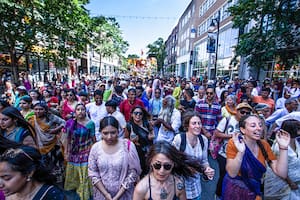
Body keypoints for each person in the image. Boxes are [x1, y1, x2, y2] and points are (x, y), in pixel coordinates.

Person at [222, 114, 290, 200]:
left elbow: (282, 173)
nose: (259, 128)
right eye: (253, 125)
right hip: (234, 191)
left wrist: (283, 148)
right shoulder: (235, 143)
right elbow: (232, 173)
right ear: (243, 130)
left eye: (260, 125)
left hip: (253, 191)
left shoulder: (264, 145)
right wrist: (241, 152)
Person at [88, 116, 141, 199]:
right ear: (100, 132)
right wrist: (105, 194)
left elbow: (133, 173)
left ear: (118, 131)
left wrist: (117, 196)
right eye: (105, 133)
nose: (109, 137)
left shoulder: (128, 146)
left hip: (124, 195)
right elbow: (93, 173)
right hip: (101, 195)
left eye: (113, 132)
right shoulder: (95, 148)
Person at [133, 140, 204, 200]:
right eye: (157, 165)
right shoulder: (141, 189)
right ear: (151, 162)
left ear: (173, 164)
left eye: (167, 166)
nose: (162, 171)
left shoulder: (178, 185)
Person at [172, 111, 215, 200]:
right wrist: (185, 168)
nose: (198, 126)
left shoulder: (203, 140)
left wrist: (207, 169)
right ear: (187, 125)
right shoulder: (179, 139)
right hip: (179, 186)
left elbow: (204, 161)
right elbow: (171, 161)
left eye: (199, 123)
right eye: (194, 123)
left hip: (196, 188)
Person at [0, 146, 65, 200]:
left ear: (29, 173)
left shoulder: (52, 196)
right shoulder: (9, 194)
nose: (0, 184)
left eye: (7, 178)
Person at [28, 101, 65, 186]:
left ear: (45, 110)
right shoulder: (32, 119)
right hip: (39, 145)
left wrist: (55, 130)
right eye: (36, 109)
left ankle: (58, 183)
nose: (38, 111)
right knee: (44, 164)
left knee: (56, 164)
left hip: (53, 144)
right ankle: (46, 182)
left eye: (41, 109)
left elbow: (64, 123)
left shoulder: (51, 117)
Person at [64, 103, 96, 200]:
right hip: (73, 153)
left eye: (82, 109)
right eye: (78, 109)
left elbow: (93, 138)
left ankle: (84, 194)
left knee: (84, 175)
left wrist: (95, 153)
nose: (80, 111)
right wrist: (66, 152)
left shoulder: (90, 123)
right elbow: (67, 139)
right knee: (73, 174)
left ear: (85, 111)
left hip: (86, 152)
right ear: (75, 112)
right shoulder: (69, 123)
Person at [264, 119, 300, 199]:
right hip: (282, 183)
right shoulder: (279, 146)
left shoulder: (295, 142)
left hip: (295, 182)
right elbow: (279, 169)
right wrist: (290, 182)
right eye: (298, 128)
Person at [125, 106, 154, 177]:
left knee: (147, 171)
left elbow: (152, 132)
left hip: (147, 151)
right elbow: (125, 140)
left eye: (140, 113)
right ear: (132, 114)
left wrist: (152, 136)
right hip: (136, 152)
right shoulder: (129, 125)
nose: (138, 115)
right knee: (138, 171)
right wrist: (131, 141)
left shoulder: (146, 123)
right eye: (136, 113)